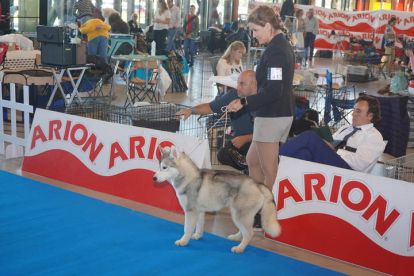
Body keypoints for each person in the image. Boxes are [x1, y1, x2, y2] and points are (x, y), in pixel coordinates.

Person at [227, 5, 295, 191]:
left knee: (269, 169)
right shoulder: (280, 45)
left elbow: (274, 91)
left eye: (255, 30)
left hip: (272, 114)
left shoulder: (275, 51)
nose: (254, 36)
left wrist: (243, 102)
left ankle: (267, 212)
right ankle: (257, 203)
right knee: (252, 161)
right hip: (276, 112)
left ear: (267, 25)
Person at [279, 95, 386, 173]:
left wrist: (335, 150)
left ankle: (270, 159)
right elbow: (329, 143)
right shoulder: (346, 128)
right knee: (304, 153)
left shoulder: (374, 137)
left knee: (309, 136)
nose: (353, 114)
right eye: (354, 110)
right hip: (334, 162)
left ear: (370, 115)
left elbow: (360, 164)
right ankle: (280, 176)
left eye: (358, 111)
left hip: (349, 172)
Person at [176, 70, 257, 171]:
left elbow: (270, 135)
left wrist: (245, 138)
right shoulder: (232, 95)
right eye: (238, 83)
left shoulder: (264, 101)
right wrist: (191, 110)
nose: (238, 87)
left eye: (242, 84)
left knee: (258, 158)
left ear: (253, 85)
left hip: (259, 141)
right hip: (239, 139)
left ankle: (252, 169)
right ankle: (247, 169)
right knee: (223, 155)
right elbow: (210, 107)